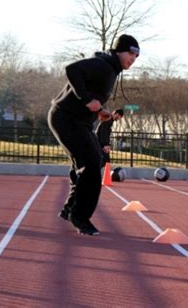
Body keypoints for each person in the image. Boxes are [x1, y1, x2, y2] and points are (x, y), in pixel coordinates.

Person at [48, 34, 140, 236]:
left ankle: (70, 209)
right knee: (91, 163)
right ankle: (79, 216)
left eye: (137, 56)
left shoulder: (111, 70)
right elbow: (71, 70)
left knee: (91, 162)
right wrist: (87, 99)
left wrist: (99, 112)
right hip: (66, 118)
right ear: (118, 51)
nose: (133, 59)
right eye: (130, 53)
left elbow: (89, 95)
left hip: (76, 120)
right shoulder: (104, 65)